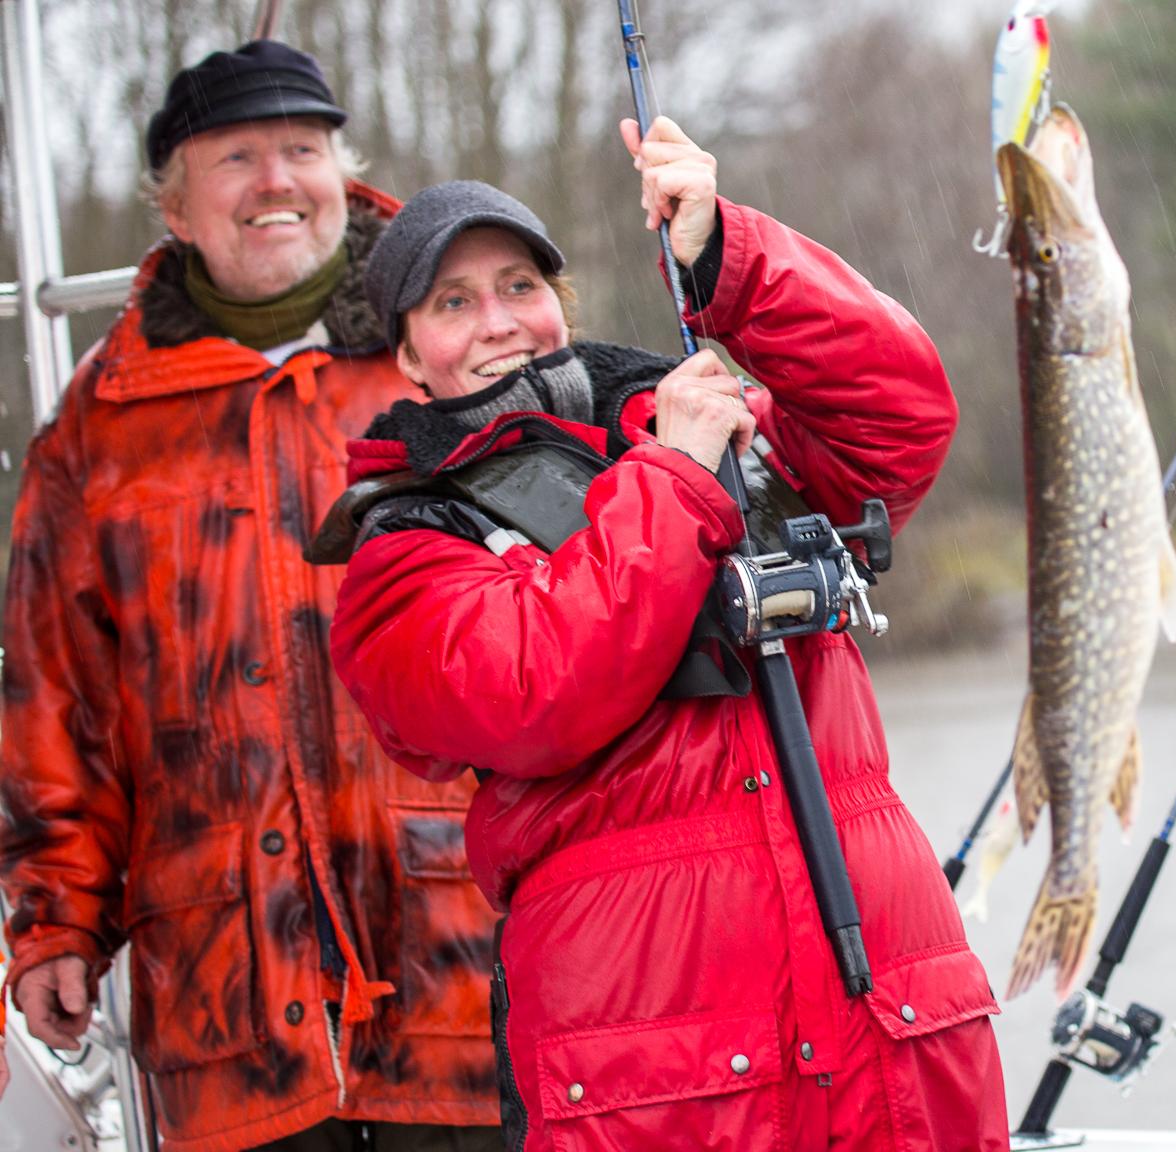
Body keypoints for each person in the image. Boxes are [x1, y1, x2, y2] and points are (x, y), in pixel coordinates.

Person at [319, 115, 1005, 1149]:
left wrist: (728, 257)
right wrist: (677, 481)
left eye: (519, 286)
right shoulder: (402, 553)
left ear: (559, 304)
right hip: (655, 1066)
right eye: (452, 303)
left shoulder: (708, 425)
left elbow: (899, 413)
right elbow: (536, 692)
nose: (498, 320)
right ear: (407, 353)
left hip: (888, 1014)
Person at [0, 42, 499, 1152]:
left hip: (470, 989)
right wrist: (56, 924)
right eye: (237, 157)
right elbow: (55, 713)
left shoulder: (462, 350)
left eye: (302, 150)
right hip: (229, 1030)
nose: (277, 180)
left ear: (341, 170)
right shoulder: (93, 433)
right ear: (173, 204)